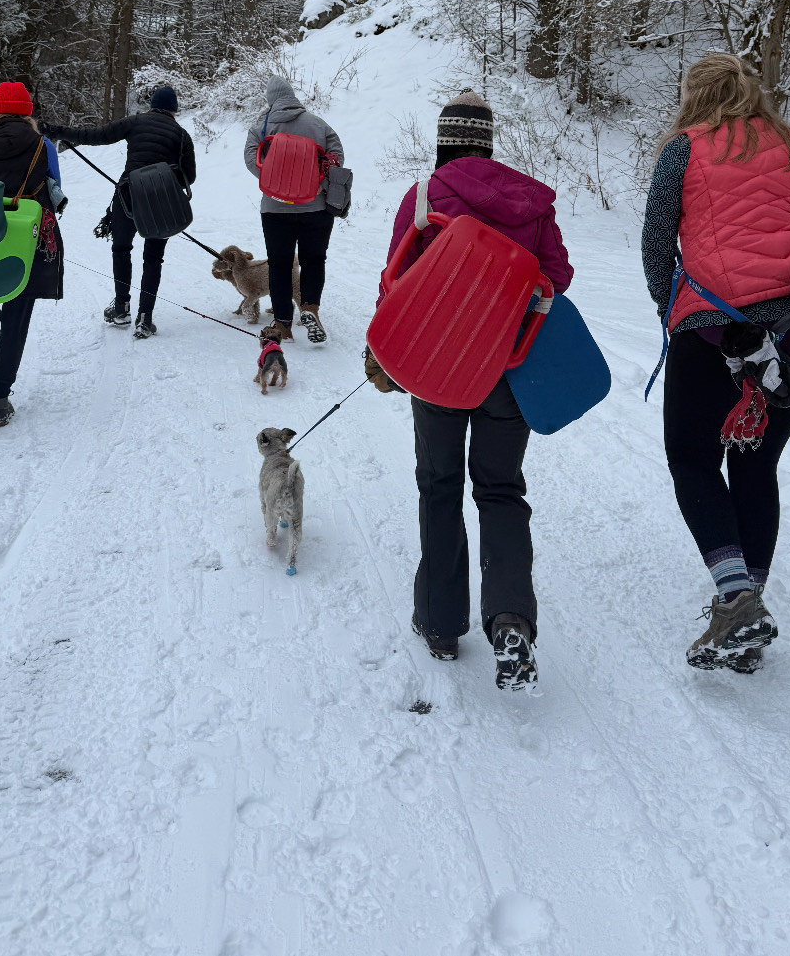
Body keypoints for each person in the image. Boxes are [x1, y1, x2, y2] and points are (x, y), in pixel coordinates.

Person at [641, 53, 790, 672]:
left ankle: (737, 598)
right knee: (755, 463)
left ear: (695, 97)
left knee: (691, 457)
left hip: (714, 331)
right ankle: (748, 610)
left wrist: (674, 310)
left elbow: (657, 240)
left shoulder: (684, 151)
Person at [364, 89, 573, 691]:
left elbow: (395, 279)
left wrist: (386, 347)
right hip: (507, 368)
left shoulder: (426, 197)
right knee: (502, 489)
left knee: (439, 484)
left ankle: (439, 622)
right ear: (487, 142)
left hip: (437, 367)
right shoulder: (531, 202)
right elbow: (556, 276)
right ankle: (510, 618)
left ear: (443, 141)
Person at [40, 86, 195, 340]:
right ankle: (145, 318)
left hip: (128, 196)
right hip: (161, 203)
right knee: (153, 258)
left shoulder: (136, 122)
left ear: (151, 105)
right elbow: (191, 176)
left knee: (121, 249)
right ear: (175, 110)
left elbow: (96, 135)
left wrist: (58, 131)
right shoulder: (182, 135)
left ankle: (121, 308)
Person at [0, 81, 66, 428]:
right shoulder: (42, 146)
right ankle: (1, 399)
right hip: (28, 237)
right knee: (16, 316)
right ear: (28, 111)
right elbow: (55, 186)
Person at [243, 76, 343, 345]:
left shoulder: (261, 126)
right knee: (313, 260)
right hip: (316, 207)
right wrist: (317, 184)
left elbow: (251, 160)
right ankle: (310, 309)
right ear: (292, 96)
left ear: (271, 99)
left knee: (279, 264)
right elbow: (337, 158)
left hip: (275, 209)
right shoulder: (318, 124)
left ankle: (283, 323)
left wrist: (277, 183)